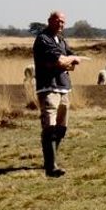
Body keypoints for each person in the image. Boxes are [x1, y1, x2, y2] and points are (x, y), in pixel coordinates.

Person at [32, 11, 82, 177]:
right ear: (50, 21)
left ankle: (50, 160)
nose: (61, 24)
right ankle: (51, 167)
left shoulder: (60, 40)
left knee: (61, 128)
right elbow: (61, 61)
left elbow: (72, 59)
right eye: (58, 21)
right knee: (50, 126)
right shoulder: (43, 39)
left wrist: (68, 60)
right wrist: (66, 61)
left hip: (63, 87)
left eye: (63, 22)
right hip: (48, 88)